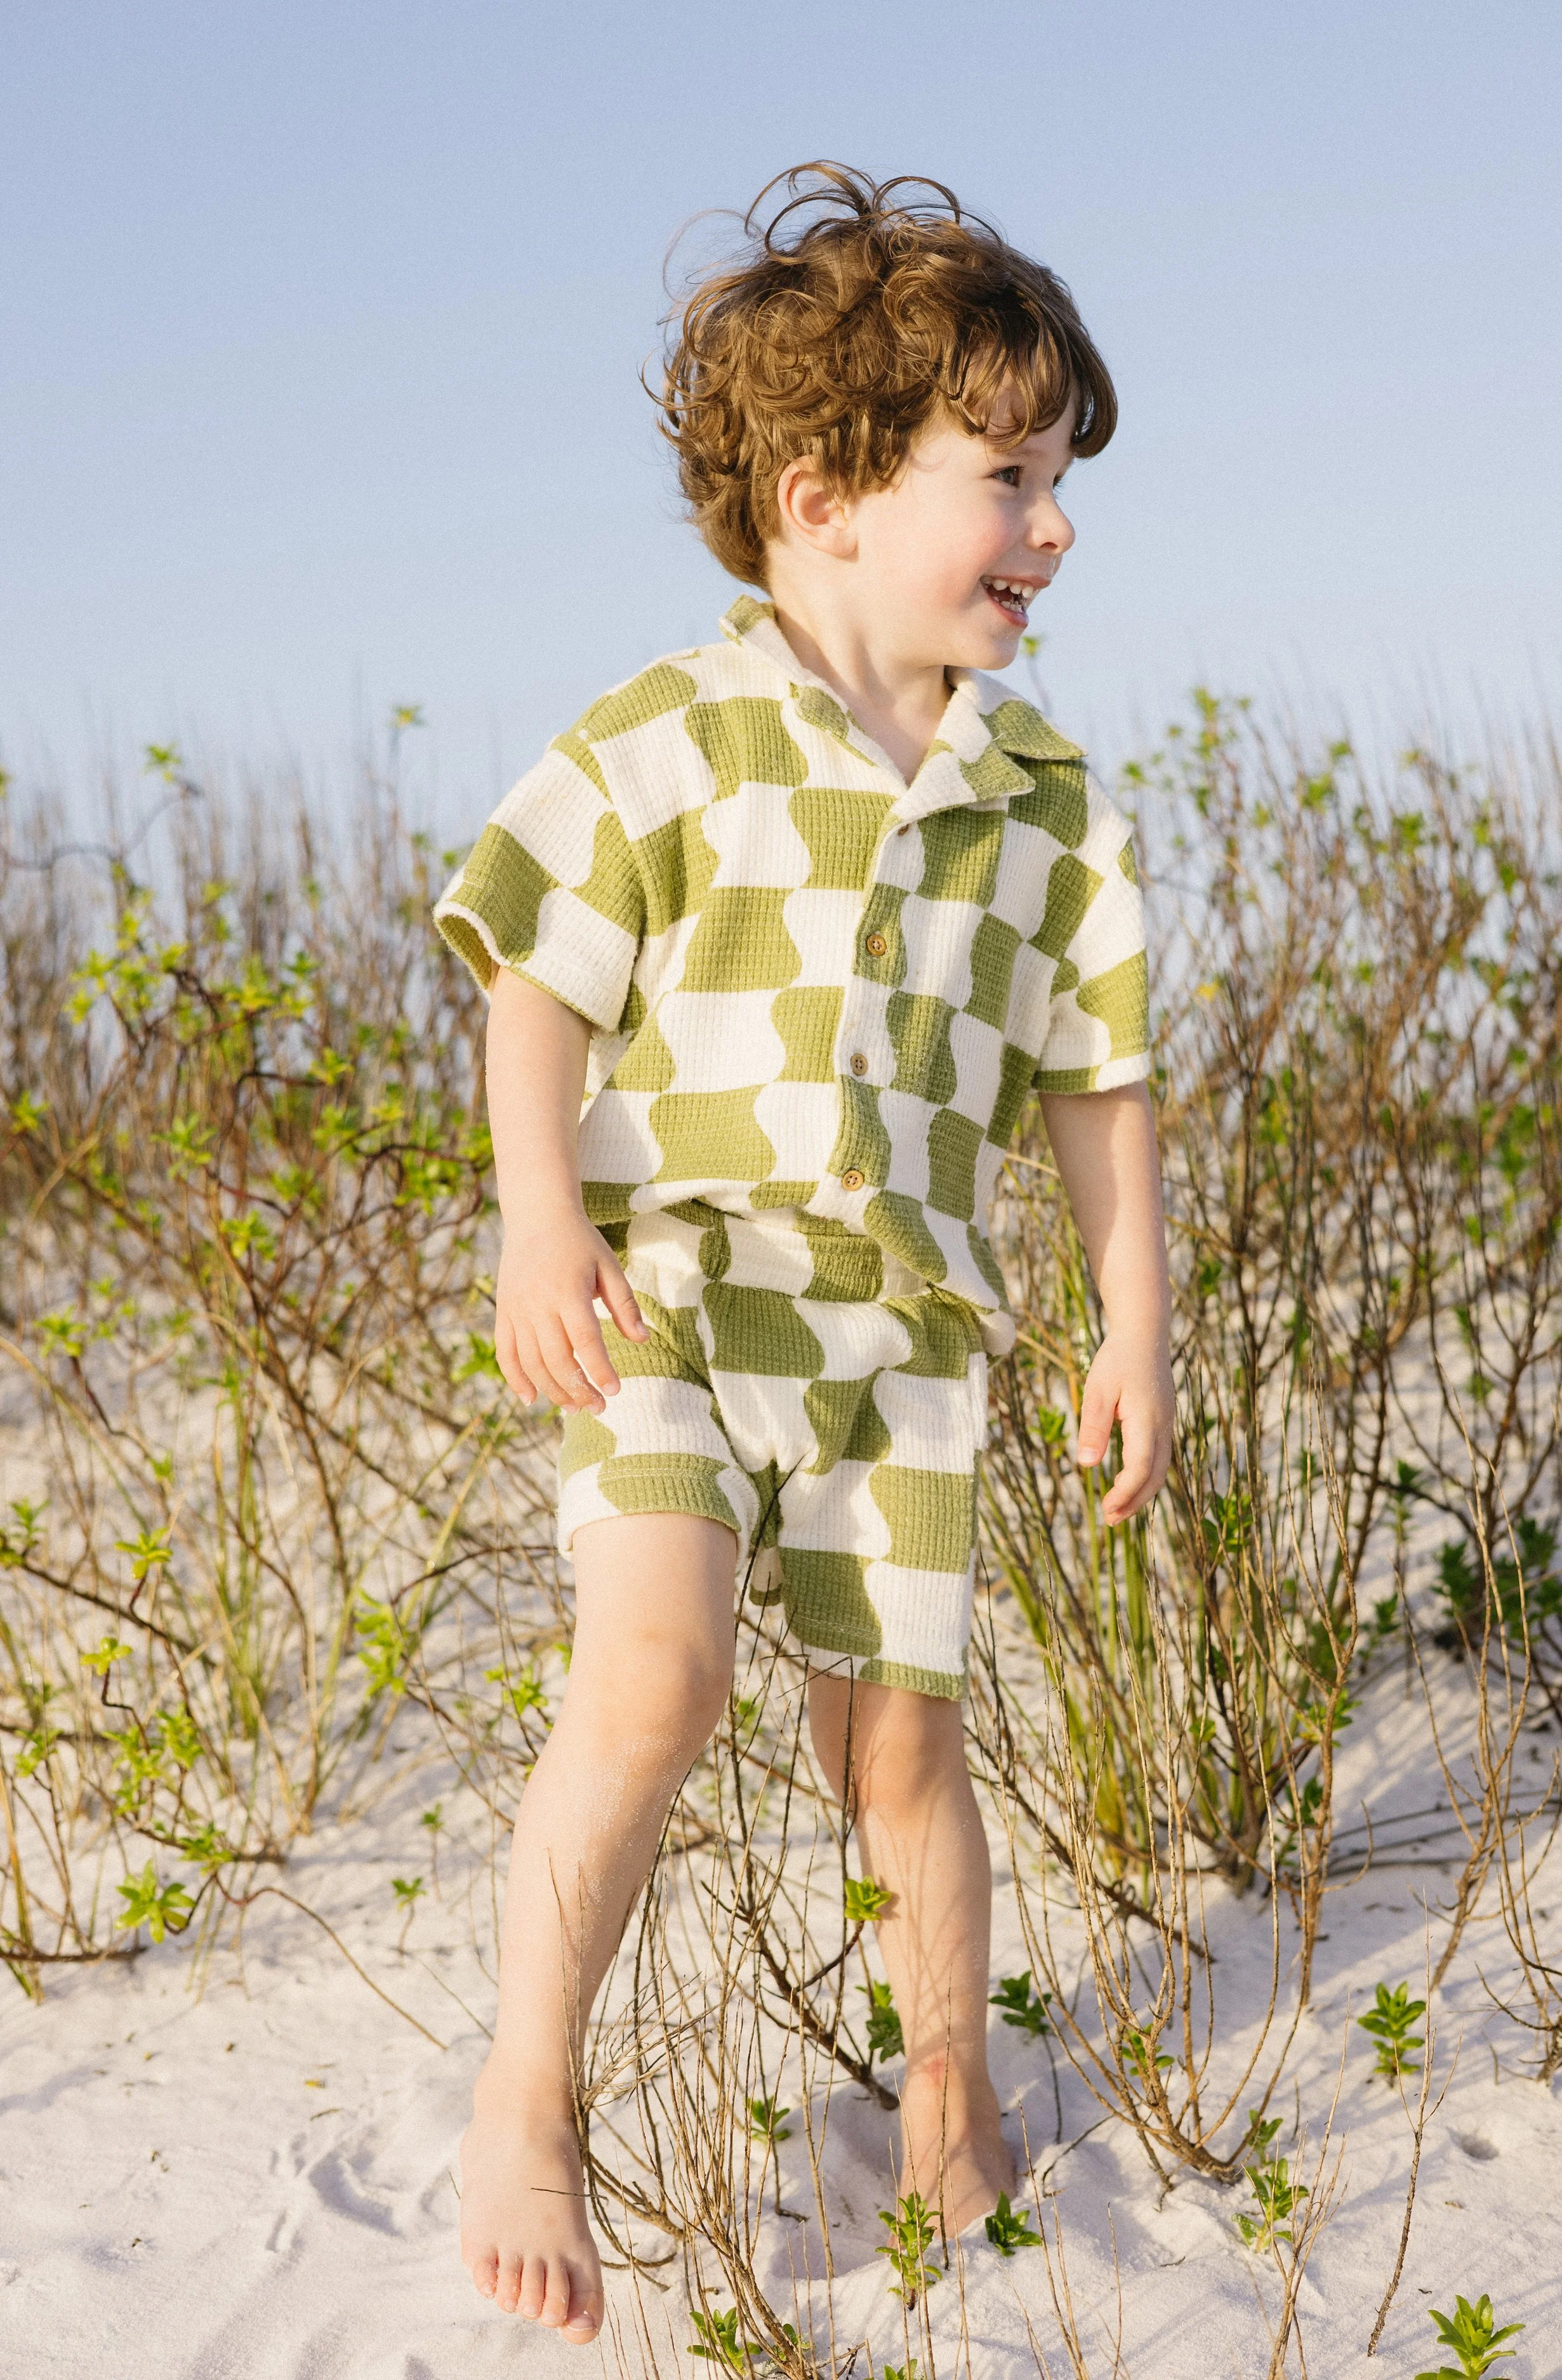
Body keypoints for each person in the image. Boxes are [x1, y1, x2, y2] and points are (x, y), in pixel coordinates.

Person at [434, 162, 1174, 2347]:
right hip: (670, 1295)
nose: (1052, 527)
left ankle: (948, 2103)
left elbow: (1095, 1077)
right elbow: (534, 975)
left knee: (903, 1743)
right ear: (825, 491)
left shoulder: (1045, 802)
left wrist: (1134, 1314)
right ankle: (526, 2095)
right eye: (1009, 478)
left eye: (1057, 482)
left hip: (902, 1336)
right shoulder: (669, 732)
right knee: (649, 1683)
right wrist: (538, 1206)